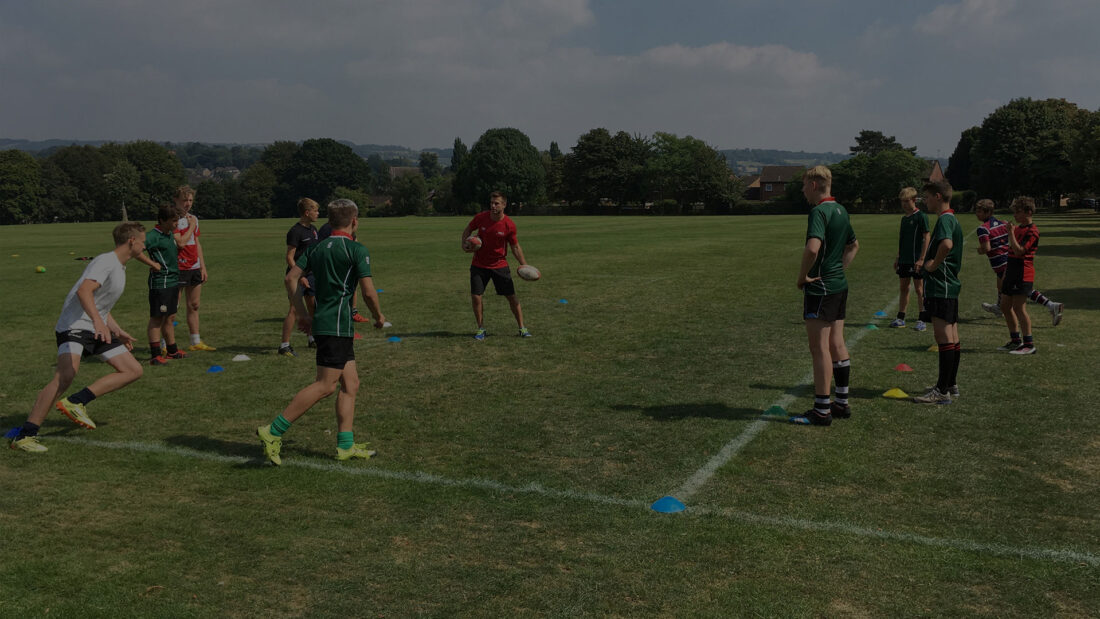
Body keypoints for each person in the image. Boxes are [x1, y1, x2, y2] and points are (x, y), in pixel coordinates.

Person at [256, 199, 386, 465]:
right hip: (336, 325)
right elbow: (369, 292)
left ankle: (345, 446)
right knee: (325, 386)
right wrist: (378, 316)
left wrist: (303, 314)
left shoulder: (316, 247)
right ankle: (273, 431)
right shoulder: (356, 249)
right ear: (354, 221)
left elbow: (290, 277)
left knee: (351, 384)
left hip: (329, 324)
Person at [8, 223, 150, 453]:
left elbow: (101, 305)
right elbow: (84, 291)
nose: (145, 246)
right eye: (143, 241)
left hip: (95, 325)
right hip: (74, 325)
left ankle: (76, 401)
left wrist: (116, 329)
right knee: (65, 375)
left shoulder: (120, 267)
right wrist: (97, 322)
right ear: (131, 241)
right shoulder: (106, 261)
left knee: (133, 370)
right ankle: (25, 436)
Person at [791, 166, 858, 426]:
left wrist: (802, 277)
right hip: (839, 285)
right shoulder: (841, 210)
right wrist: (840, 269)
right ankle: (841, 403)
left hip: (820, 288)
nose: (802, 190)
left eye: (804, 185)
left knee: (819, 348)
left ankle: (821, 410)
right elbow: (854, 245)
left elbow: (812, 248)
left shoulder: (819, 211)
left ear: (815, 185)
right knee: (837, 343)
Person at [913, 181, 964, 404]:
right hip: (949, 285)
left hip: (941, 285)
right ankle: (950, 384)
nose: (925, 201)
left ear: (937, 196)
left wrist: (932, 266)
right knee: (952, 336)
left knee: (943, 337)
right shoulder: (952, 218)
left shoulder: (945, 219)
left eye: (926, 197)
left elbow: (946, 245)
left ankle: (941, 391)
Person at [974, 199, 1064, 326]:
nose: (976, 214)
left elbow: (987, 248)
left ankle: (1051, 305)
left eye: (979, 211)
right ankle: (999, 306)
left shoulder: (983, 228)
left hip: (1003, 263)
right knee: (1002, 286)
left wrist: (980, 250)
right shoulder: (1002, 223)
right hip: (1008, 260)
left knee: (1022, 291)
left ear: (987, 212)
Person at [460, 191, 532, 340]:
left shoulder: (509, 225)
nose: (493, 206)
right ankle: (481, 329)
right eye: (491, 203)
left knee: (511, 297)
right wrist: (465, 243)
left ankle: (522, 328)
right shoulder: (481, 218)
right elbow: (468, 229)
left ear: (504, 205)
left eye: (496, 203)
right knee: (476, 297)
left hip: (499, 265)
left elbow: (515, 247)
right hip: (479, 265)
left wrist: (524, 266)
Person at [172, 185, 215, 351]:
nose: (188, 203)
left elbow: (196, 243)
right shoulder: (172, 218)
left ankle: (195, 341)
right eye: (184, 200)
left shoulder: (193, 218)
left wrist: (202, 266)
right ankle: (165, 344)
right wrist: (190, 226)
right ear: (176, 200)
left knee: (194, 304)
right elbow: (180, 242)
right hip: (178, 267)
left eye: (190, 200)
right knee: (172, 308)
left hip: (194, 266)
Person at [998, 196, 1043, 355]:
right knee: (1004, 305)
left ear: (1028, 212)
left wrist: (1010, 233)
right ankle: (1015, 340)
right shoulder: (1018, 228)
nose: (1015, 215)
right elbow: (1011, 252)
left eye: (1018, 212)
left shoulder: (1033, 231)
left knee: (1019, 307)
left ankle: (1029, 344)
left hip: (1023, 272)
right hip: (1012, 270)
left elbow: (1019, 251)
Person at [146, 205, 188, 366]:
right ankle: (155, 355)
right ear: (162, 220)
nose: (176, 224)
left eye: (177, 220)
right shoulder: (152, 236)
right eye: (173, 221)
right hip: (160, 283)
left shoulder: (168, 234)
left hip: (172, 281)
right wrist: (151, 263)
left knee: (170, 317)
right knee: (157, 318)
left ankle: (172, 351)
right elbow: (135, 250)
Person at [279, 198, 320, 357]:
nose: (318, 213)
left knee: (312, 307)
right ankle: (284, 345)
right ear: (307, 212)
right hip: (297, 276)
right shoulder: (295, 231)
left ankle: (312, 338)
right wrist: (299, 276)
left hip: (311, 275)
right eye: (315, 210)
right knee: (294, 309)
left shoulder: (314, 229)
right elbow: (289, 257)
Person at [890, 187, 930, 331]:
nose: (904, 204)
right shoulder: (904, 219)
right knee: (903, 288)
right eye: (902, 201)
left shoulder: (921, 216)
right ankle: (901, 318)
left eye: (907, 201)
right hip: (904, 260)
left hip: (916, 260)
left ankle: (922, 319)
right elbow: (902, 240)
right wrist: (898, 257)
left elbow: (927, 237)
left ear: (914, 200)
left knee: (919, 289)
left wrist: (922, 258)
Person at [318, 221, 370, 324]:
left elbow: (354, 240)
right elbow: (323, 247)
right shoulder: (326, 229)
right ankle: (337, 318)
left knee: (352, 287)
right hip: (335, 264)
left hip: (348, 261)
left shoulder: (346, 226)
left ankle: (353, 313)